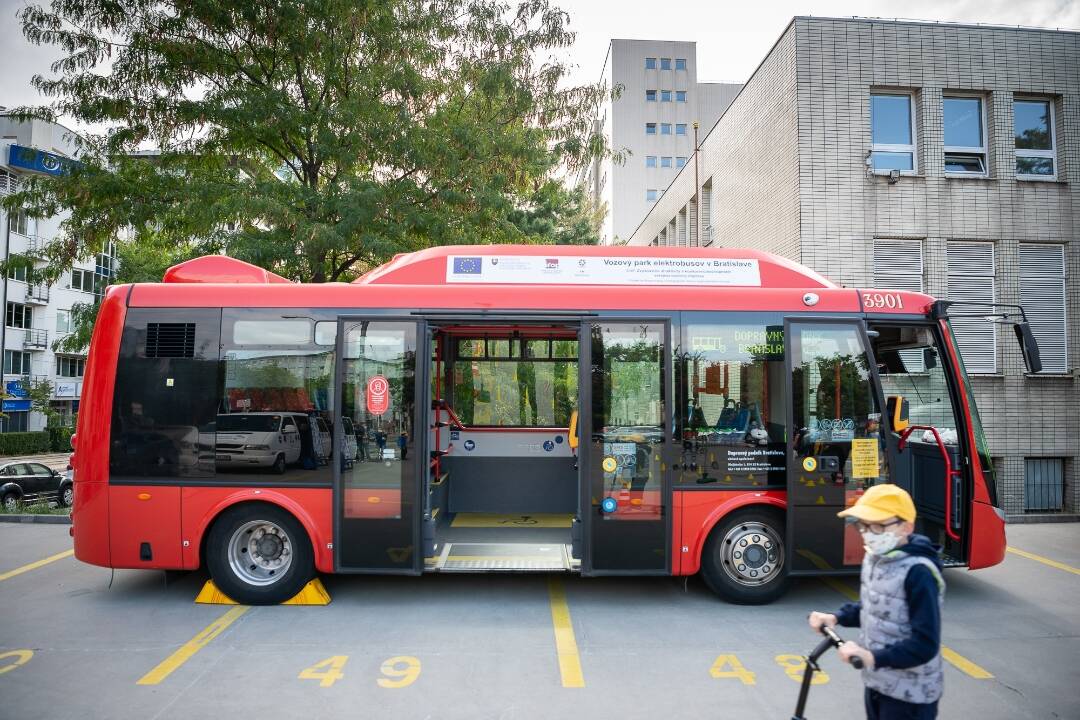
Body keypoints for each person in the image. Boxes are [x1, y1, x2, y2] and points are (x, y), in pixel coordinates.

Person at [808, 484, 945, 720]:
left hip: (910, 694)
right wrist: (836, 617)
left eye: (879, 526)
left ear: (906, 527)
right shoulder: (876, 557)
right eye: (863, 526)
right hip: (878, 681)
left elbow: (925, 644)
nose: (869, 532)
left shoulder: (919, 573)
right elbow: (875, 606)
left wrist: (871, 658)